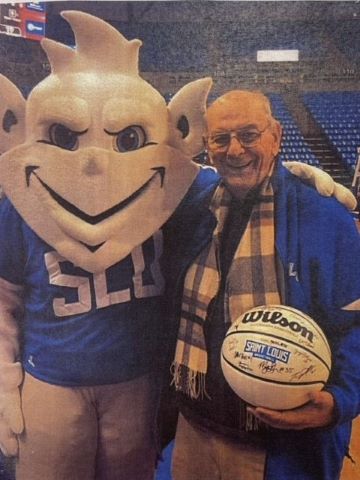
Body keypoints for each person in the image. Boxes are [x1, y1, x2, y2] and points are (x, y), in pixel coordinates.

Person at [166, 90, 360, 480]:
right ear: (207, 146)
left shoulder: (324, 216)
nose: (235, 150)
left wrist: (339, 400)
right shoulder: (191, 208)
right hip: (194, 429)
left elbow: (354, 323)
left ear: (277, 137)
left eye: (249, 135)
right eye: (221, 139)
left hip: (279, 447)